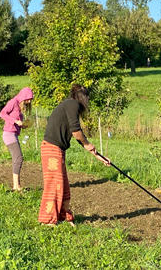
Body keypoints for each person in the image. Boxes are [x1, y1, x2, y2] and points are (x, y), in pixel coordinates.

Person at [38, 84, 110, 226]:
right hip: (51, 148)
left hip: (57, 149)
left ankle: (62, 215)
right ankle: (48, 220)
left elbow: (76, 135)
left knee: (63, 185)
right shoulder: (73, 104)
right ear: (83, 97)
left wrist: (99, 156)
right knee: (54, 184)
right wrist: (88, 144)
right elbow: (76, 131)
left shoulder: (69, 104)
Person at [0, 87, 33, 192]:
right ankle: (16, 186)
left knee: (17, 158)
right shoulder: (13, 102)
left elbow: (17, 122)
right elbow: (2, 114)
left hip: (14, 134)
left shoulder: (19, 106)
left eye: (31, 99)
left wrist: (23, 125)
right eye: (28, 99)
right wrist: (15, 121)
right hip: (8, 134)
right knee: (18, 158)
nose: (29, 101)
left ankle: (17, 185)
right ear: (23, 97)